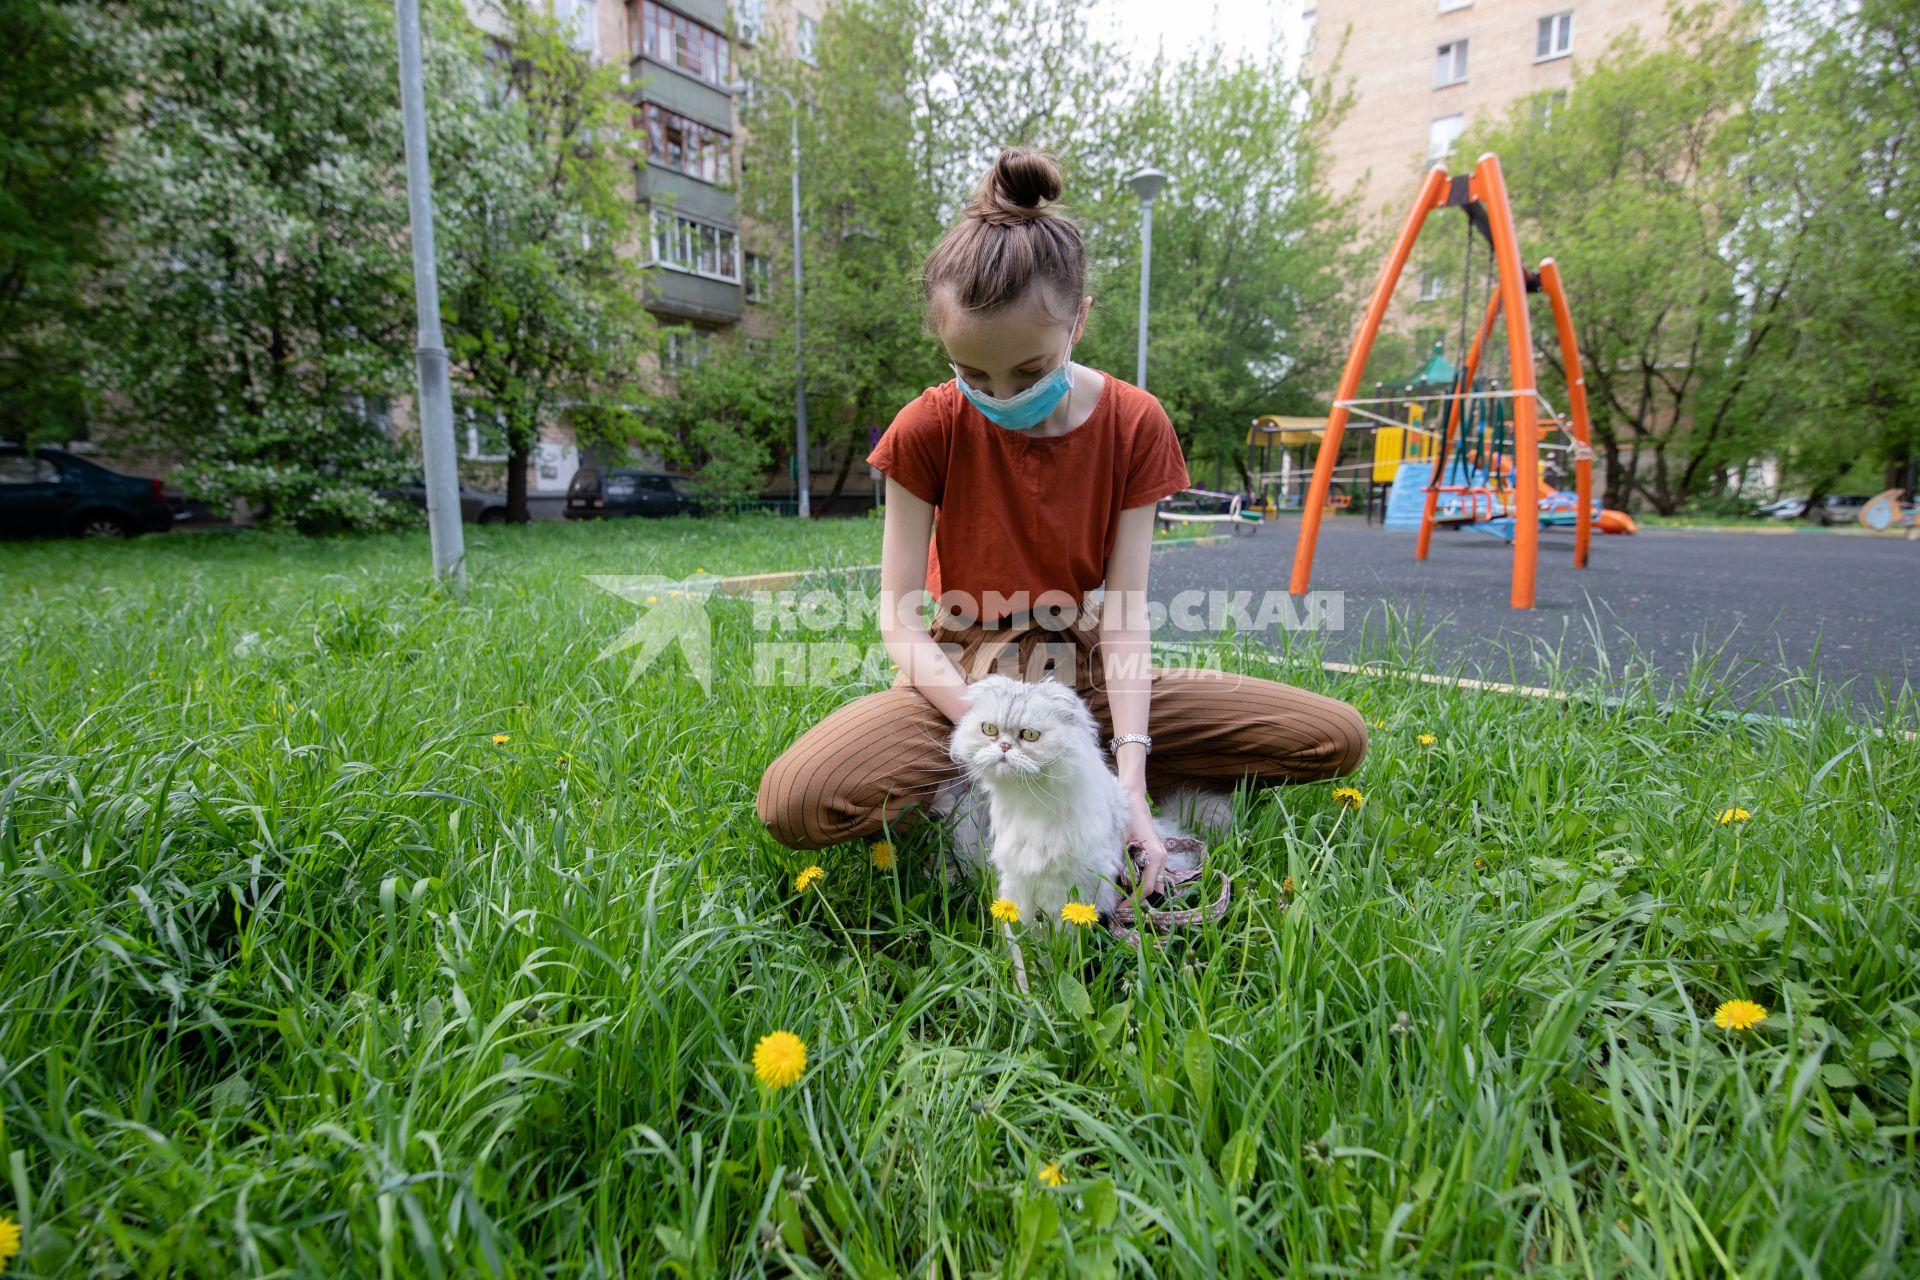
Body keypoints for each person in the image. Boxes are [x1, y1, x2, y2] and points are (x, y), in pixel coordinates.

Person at [755, 146, 1367, 896]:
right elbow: (899, 621)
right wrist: (983, 729)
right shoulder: (926, 426)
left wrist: (1132, 778)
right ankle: (991, 787)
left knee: (1331, 738)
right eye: (973, 373)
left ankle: (1102, 779)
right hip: (960, 683)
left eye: (1028, 371)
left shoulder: (1136, 424)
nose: (1000, 394)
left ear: (1077, 320)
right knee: (800, 797)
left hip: (1092, 682)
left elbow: (1128, 613)